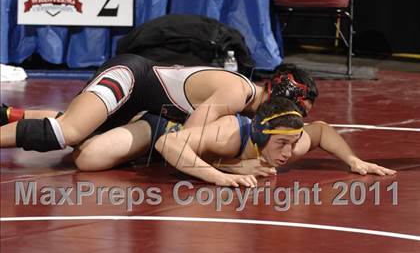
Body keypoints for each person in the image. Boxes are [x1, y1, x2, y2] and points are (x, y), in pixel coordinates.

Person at [0, 56, 317, 174]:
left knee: (81, 136)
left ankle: (8, 114)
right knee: (67, 132)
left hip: (140, 104)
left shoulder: (244, 102)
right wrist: (235, 166)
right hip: (130, 79)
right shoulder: (237, 93)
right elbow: (187, 143)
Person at [153, 97, 396, 187]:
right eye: (281, 144)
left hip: (185, 153)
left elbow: (320, 130)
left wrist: (353, 160)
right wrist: (222, 174)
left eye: (293, 142)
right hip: (160, 125)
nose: (289, 152)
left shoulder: (289, 141)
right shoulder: (230, 134)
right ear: (260, 134)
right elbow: (167, 143)